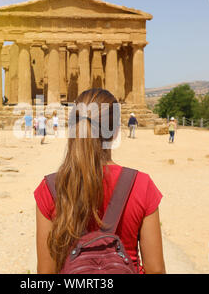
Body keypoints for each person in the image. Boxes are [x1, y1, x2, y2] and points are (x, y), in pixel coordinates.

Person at [34, 88, 165, 274]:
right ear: (116, 131)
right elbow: (156, 270)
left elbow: (46, 274)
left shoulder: (50, 189)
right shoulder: (141, 185)